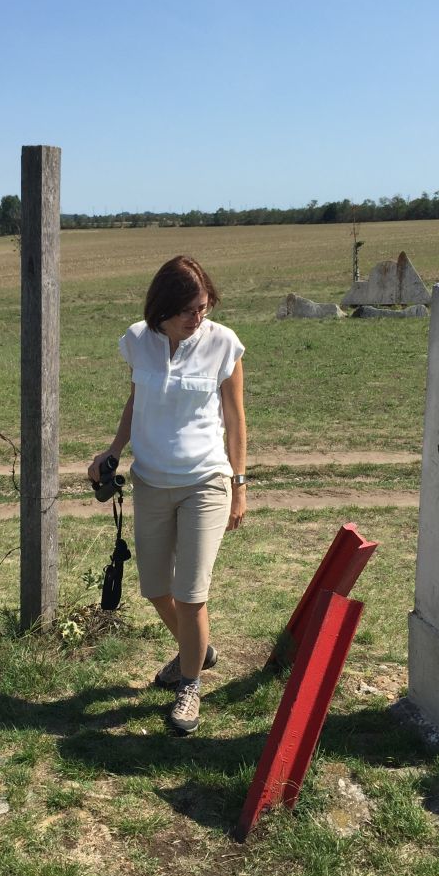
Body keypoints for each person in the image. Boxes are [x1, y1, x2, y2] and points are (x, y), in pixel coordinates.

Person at [88, 255, 247, 734]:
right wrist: (113, 450)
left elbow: (236, 419)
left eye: (203, 307)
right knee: (155, 588)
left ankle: (189, 684)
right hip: (151, 481)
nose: (197, 317)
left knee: (191, 593)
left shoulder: (223, 343)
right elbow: (136, 400)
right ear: (161, 309)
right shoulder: (137, 340)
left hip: (206, 482)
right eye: (187, 310)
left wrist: (239, 485)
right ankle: (197, 649)